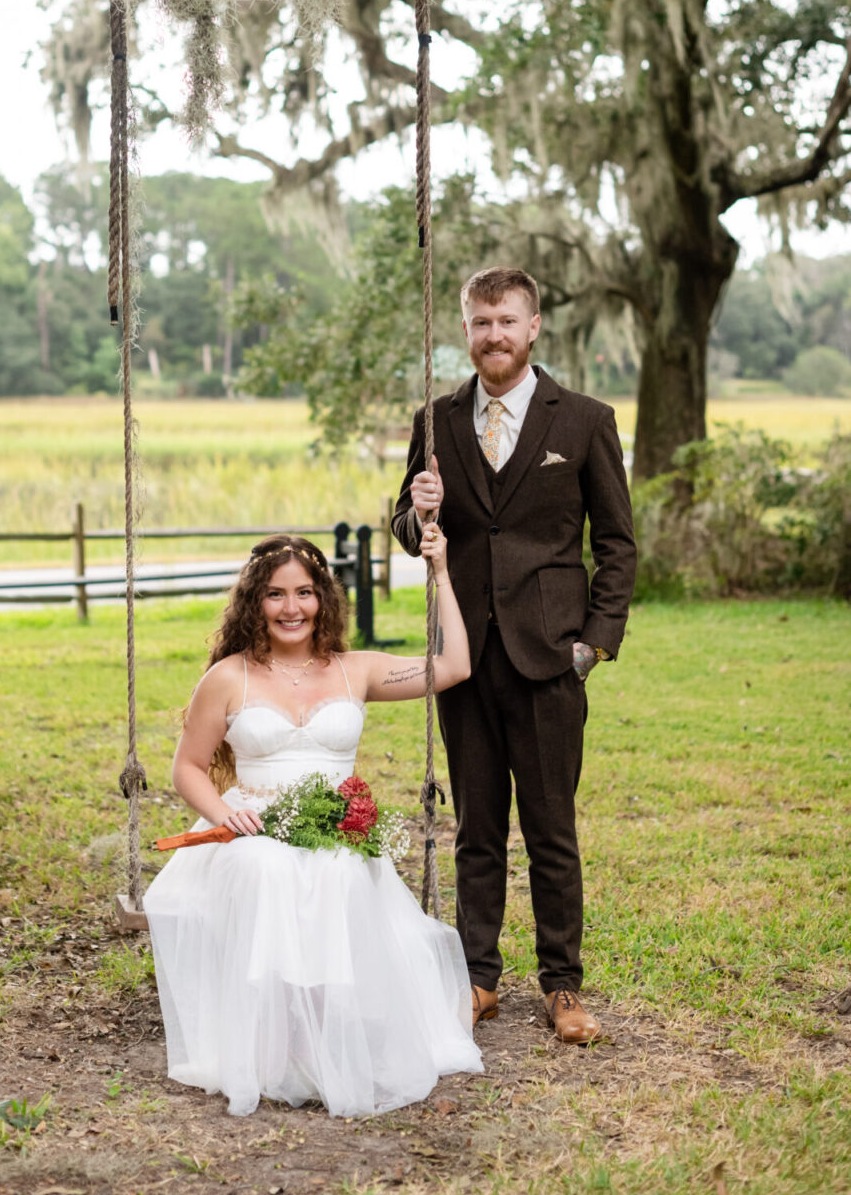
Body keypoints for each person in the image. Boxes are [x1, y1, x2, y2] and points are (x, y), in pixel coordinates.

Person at [144, 527, 483, 1118]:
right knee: (264, 870)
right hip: (253, 826)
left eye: (304, 592)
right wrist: (227, 813)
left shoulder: (357, 670)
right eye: (276, 594)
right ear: (255, 602)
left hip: (334, 829)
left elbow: (455, 665)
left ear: (323, 597)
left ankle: (332, 1040)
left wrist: (442, 572)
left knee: (340, 873)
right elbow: (188, 768)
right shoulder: (229, 677)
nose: (291, 608)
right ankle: (274, 1044)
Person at [391, 266, 636, 1044]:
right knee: (476, 830)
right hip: (463, 656)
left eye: (506, 320)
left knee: (552, 828)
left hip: (549, 657)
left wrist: (594, 644)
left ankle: (563, 987)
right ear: (463, 330)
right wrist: (413, 516)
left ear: (533, 328)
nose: (492, 334)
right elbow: (407, 526)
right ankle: (478, 979)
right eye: (479, 321)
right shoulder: (435, 420)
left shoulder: (585, 421)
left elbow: (619, 546)